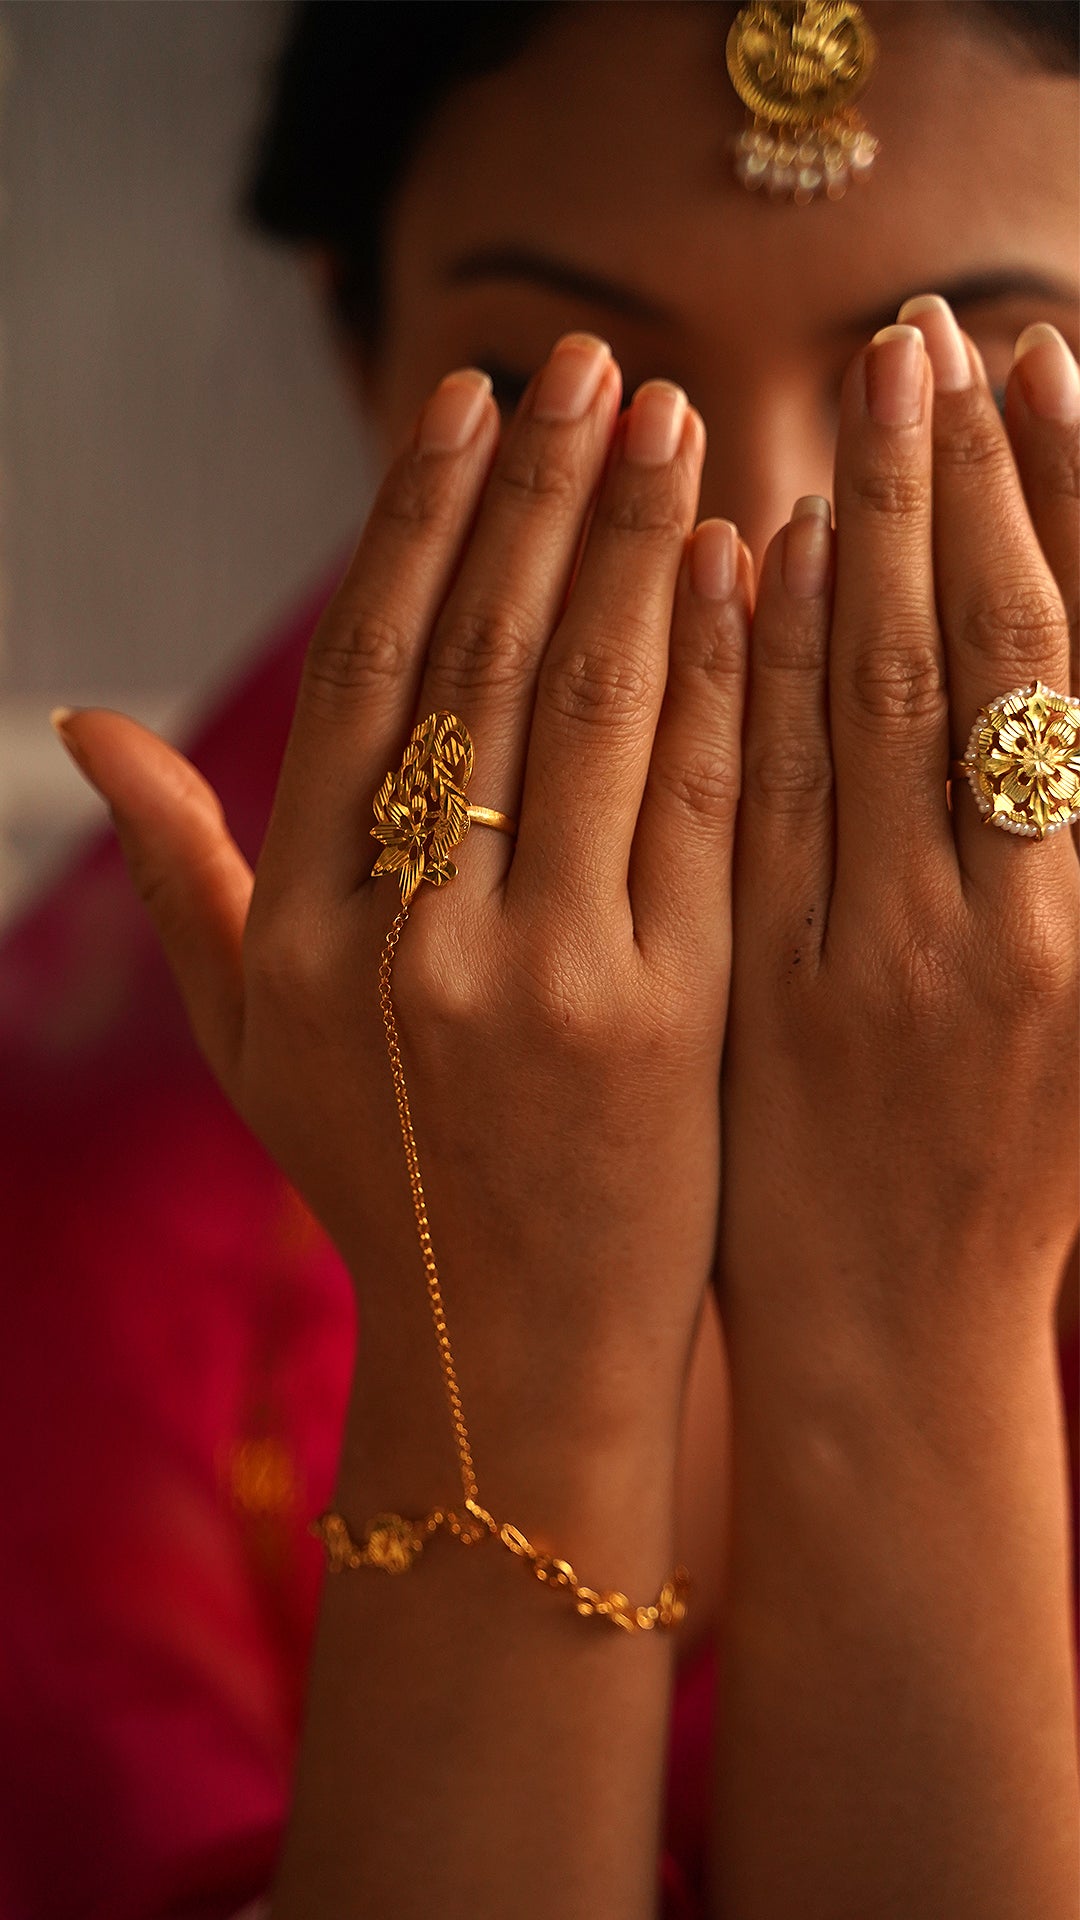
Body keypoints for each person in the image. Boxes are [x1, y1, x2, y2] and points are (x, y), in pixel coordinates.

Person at [2, 3, 1077, 1915]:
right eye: (558, 388)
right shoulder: (66, 1203)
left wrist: (923, 1312)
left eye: (952, 399)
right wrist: (511, 1329)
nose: (751, 531)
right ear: (360, 346)